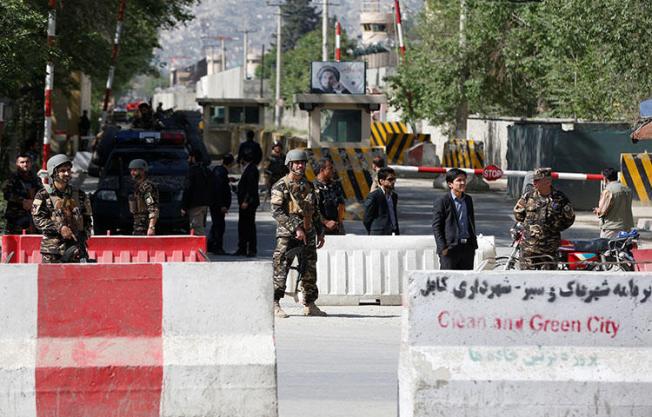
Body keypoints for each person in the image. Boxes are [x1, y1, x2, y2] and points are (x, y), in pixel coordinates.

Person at [271, 149, 326, 318]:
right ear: (290, 164)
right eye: (296, 163)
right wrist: (296, 228)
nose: (300, 165)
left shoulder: (309, 186)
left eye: (302, 163)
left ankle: (309, 304)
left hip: (308, 232)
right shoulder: (281, 185)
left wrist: (320, 231)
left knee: (309, 268)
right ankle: (274, 303)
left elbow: (314, 210)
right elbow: (277, 211)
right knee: (281, 266)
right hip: (288, 234)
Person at [32, 155, 92, 263]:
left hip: (76, 250)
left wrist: (83, 236)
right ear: (54, 173)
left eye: (69, 170)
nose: (67, 173)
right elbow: (38, 219)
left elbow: (87, 218)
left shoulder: (80, 195)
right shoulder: (43, 195)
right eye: (62, 171)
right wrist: (60, 228)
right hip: (52, 251)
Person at [513, 167, 575, 270]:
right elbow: (518, 214)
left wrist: (554, 228)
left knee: (548, 281)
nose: (534, 183)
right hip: (529, 249)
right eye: (534, 180)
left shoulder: (560, 199)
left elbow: (569, 219)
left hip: (549, 249)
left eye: (537, 180)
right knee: (526, 281)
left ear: (547, 182)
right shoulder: (528, 196)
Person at [432, 168, 478, 270]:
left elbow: (471, 223)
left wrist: (473, 246)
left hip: (467, 249)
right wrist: (443, 248)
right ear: (450, 184)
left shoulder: (468, 200)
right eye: (459, 180)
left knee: (466, 282)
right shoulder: (442, 201)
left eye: (464, 180)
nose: (463, 183)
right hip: (450, 249)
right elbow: (436, 226)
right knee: (448, 282)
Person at [2, 153, 43, 234]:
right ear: (17, 164)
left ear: (31, 163)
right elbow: (7, 194)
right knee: (13, 244)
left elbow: (42, 194)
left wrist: (34, 203)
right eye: (22, 162)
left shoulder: (36, 179)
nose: (25, 164)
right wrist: (22, 201)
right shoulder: (12, 178)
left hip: (34, 217)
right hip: (15, 218)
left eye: (27, 162)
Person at [593, 167, 634, 238]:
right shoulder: (627, 189)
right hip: (627, 227)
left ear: (605, 178)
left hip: (611, 228)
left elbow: (602, 211)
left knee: (606, 248)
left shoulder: (608, 190)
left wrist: (597, 211)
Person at [233, 149, 260, 257]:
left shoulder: (251, 170)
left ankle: (251, 249)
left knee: (248, 226)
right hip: (246, 203)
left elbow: (251, 188)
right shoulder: (249, 168)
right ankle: (243, 248)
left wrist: (245, 201)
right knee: (243, 226)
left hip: (248, 204)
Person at [208, 153, 234, 255]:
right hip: (218, 204)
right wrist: (222, 205)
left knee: (216, 225)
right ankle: (217, 247)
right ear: (231, 163)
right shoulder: (220, 172)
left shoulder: (219, 170)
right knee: (219, 226)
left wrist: (228, 180)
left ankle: (210, 245)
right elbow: (218, 189)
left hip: (215, 203)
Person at [182, 151, 213, 236]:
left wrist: (184, 206)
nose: (188, 160)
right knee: (201, 226)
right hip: (205, 204)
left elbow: (188, 189)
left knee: (197, 229)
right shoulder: (206, 170)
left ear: (193, 158)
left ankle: (200, 248)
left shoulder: (192, 171)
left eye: (189, 157)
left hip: (195, 205)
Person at [313, 158, 346, 235]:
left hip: (336, 228)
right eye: (330, 168)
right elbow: (312, 209)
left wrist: (339, 223)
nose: (333, 171)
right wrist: (325, 222)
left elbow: (341, 205)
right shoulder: (313, 187)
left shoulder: (334, 186)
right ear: (322, 170)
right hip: (320, 229)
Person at [363, 167, 399, 235]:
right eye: (390, 179)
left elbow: (393, 215)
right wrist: (374, 230)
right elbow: (366, 218)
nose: (393, 182)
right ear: (381, 181)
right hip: (378, 234)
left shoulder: (394, 196)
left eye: (394, 179)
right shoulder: (374, 196)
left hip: (393, 233)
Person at [128, 159, 159, 235]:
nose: (132, 173)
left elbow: (152, 207)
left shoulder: (147, 188)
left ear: (142, 171)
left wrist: (151, 227)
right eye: (131, 170)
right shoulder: (138, 187)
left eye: (135, 170)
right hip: (138, 225)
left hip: (145, 225)